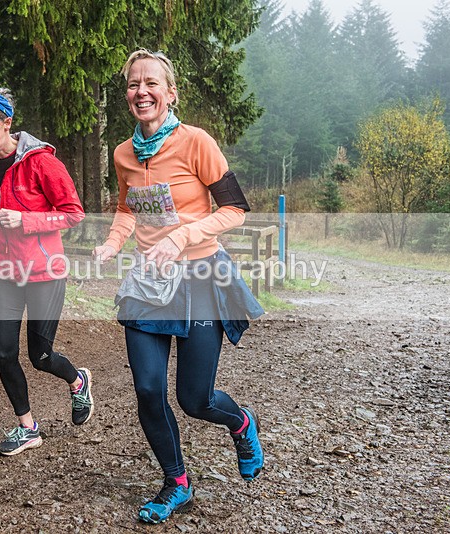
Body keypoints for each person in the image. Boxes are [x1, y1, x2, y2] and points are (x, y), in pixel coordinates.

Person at [92, 50, 266, 524]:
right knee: (148, 390)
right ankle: (177, 483)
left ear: (171, 94)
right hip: (148, 284)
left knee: (196, 400)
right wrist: (112, 243)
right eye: (132, 84)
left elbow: (235, 209)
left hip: (200, 280)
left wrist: (182, 235)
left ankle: (242, 422)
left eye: (151, 83)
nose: (141, 91)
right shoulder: (124, 153)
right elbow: (129, 208)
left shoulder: (196, 142)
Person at [0, 88, 93, 456]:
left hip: (43, 271)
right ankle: (28, 427)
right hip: (4, 271)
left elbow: (73, 213)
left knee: (41, 356)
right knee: (3, 353)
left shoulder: (41, 162)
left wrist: (27, 220)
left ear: (7, 122)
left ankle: (76, 379)